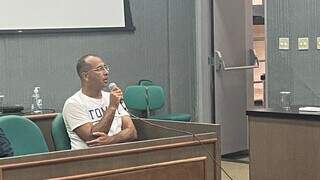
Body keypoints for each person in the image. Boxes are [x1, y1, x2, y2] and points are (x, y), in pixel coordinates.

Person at [62, 54, 137, 150]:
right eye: (99, 69)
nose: (106, 72)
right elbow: (93, 139)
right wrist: (112, 107)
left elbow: (132, 132)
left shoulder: (112, 97)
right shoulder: (73, 104)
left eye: (106, 68)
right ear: (86, 76)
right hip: (89, 160)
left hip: (117, 155)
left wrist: (111, 140)